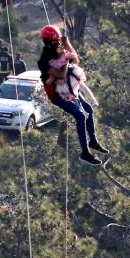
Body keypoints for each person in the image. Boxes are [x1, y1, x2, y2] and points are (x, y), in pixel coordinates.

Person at [38, 25, 108, 166]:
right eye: (57, 41)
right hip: (58, 94)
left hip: (70, 90)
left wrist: (67, 43)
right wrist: (65, 59)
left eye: (60, 41)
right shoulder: (45, 60)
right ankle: (85, 152)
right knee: (80, 115)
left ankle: (93, 141)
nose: (60, 44)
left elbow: (75, 59)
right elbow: (60, 74)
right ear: (51, 43)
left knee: (89, 110)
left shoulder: (59, 51)